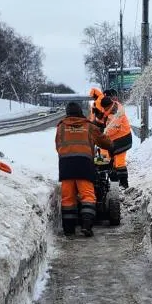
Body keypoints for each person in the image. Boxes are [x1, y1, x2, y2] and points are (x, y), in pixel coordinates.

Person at [56, 101, 114, 237]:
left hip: (66, 164)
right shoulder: (89, 126)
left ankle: (69, 230)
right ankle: (86, 226)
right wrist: (112, 147)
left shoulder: (61, 127)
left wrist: (67, 154)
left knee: (68, 198)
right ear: (80, 112)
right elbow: (103, 140)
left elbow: (58, 145)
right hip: (84, 164)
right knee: (87, 195)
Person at [98, 89, 133, 188]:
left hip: (123, 139)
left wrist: (100, 133)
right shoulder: (110, 108)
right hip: (114, 139)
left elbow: (112, 128)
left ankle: (123, 184)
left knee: (119, 162)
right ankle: (111, 181)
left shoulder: (116, 111)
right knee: (105, 158)